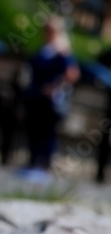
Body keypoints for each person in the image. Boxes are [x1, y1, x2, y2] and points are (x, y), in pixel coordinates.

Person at [21, 17, 79, 177]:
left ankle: (44, 165)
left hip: (50, 100)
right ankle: (33, 162)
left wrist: (54, 87)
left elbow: (72, 74)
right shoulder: (43, 49)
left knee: (47, 132)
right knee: (33, 130)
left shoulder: (62, 50)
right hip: (36, 96)